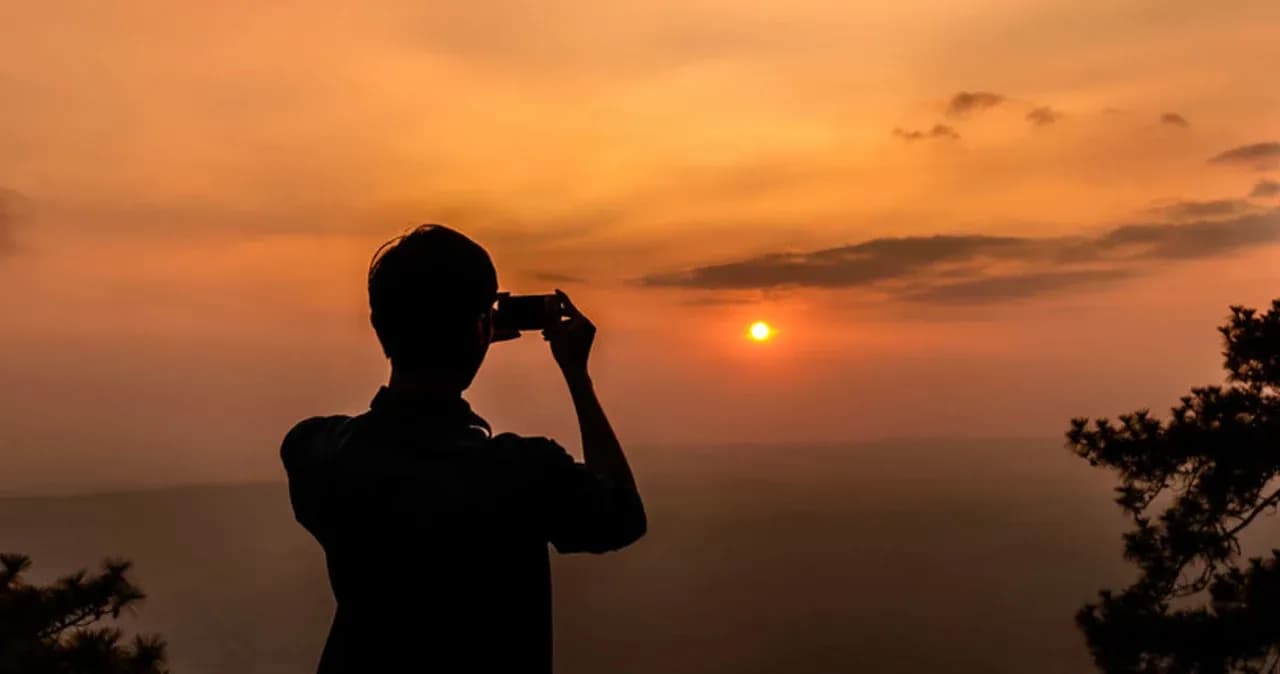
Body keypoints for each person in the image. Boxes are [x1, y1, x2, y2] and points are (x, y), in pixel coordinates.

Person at [281, 224, 646, 673]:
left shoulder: (320, 454)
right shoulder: (522, 474)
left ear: (378, 326)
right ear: (481, 327)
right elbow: (623, 517)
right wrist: (576, 376)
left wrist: (460, 334)